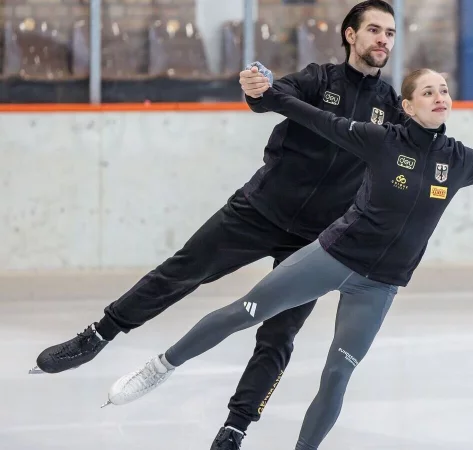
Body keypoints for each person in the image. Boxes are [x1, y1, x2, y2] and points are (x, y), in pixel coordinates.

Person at [104, 67, 473, 450]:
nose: (439, 97)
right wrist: (269, 92)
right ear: (407, 107)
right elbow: (318, 119)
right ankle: (159, 368)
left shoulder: (459, 160)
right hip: (332, 256)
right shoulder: (381, 140)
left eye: (444, 90)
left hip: (379, 285)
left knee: (337, 374)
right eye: (427, 91)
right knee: (244, 312)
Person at [32, 1, 407, 447]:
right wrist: (254, 86)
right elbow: (266, 94)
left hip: (315, 243)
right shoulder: (318, 79)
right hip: (259, 210)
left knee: (278, 336)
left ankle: (235, 427)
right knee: (179, 273)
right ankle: (96, 336)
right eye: (375, 30)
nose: (384, 39)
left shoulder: (390, 106)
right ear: (351, 35)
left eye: (390, 32)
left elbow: (415, 157)